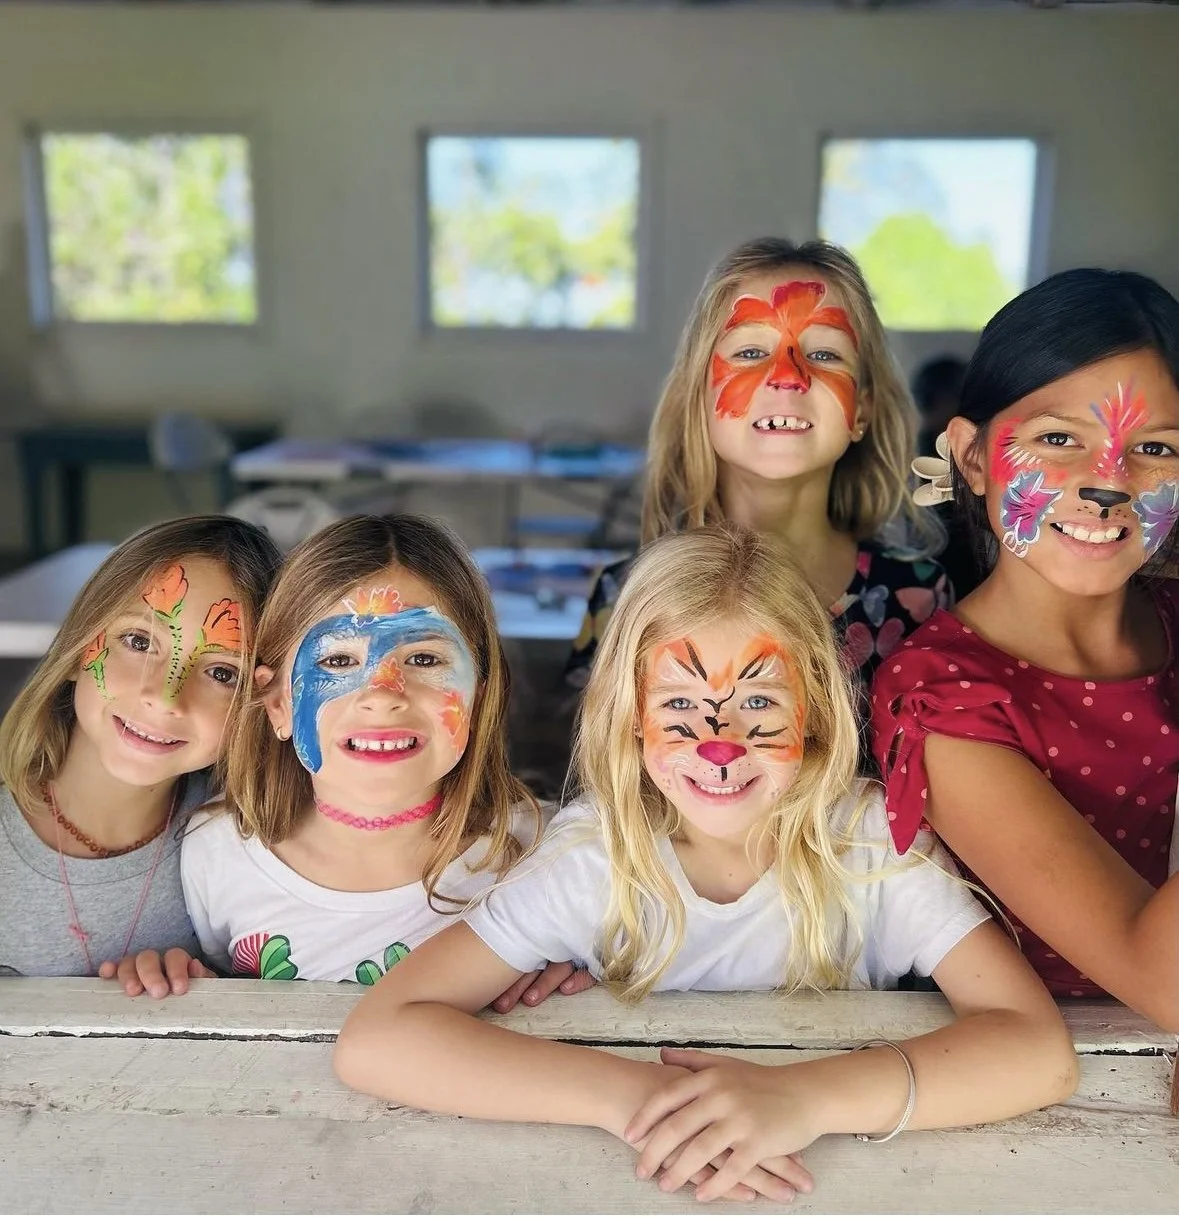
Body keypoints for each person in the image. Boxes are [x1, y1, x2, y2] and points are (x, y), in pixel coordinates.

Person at [335, 526, 1076, 1203]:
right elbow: (380, 1037)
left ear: (813, 708)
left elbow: (1037, 1050)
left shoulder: (869, 840)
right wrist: (643, 1100)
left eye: (757, 702)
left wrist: (802, 1098)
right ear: (630, 714)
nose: (719, 744)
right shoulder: (594, 852)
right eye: (681, 705)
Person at [872, 268, 1179, 1032]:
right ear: (971, 456)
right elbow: (1161, 981)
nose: (1105, 483)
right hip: (1049, 1079)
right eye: (1055, 439)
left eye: (1151, 447)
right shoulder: (939, 695)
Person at [129, 514, 543, 989]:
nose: (383, 692)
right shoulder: (216, 853)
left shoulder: (542, 855)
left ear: (479, 697)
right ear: (279, 703)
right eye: (338, 660)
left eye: (424, 659)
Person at [566, 238, 949, 701]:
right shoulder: (625, 595)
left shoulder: (920, 599)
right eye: (750, 352)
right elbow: (598, 770)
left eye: (825, 354)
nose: (787, 376)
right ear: (700, 399)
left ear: (862, 410)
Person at [0, 516, 281, 981]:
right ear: (78, 647)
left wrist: (202, 993)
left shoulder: (248, 851)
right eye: (139, 641)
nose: (166, 697)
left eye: (221, 673)